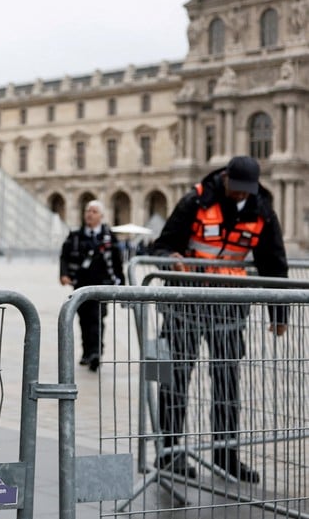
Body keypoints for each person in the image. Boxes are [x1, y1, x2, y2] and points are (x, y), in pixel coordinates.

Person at [151, 155, 287, 483]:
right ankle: (169, 454)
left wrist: (280, 313)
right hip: (186, 302)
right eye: (236, 189)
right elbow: (162, 245)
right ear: (225, 178)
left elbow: (274, 262)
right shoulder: (196, 201)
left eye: (246, 190)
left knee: (227, 381)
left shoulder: (262, 209)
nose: (241, 195)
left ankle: (226, 455)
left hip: (228, 306)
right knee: (176, 379)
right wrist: (170, 258)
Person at [59, 200, 123, 371]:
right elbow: (64, 256)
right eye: (88, 210)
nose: (89, 213)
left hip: (102, 285)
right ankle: (87, 352)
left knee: (98, 319)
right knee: (83, 320)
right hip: (80, 284)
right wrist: (64, 274)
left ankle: (96, 353)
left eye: (94, 211)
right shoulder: (75, 236)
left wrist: (122, 285)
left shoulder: (109, 237)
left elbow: (118, 262)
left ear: (101, 216)